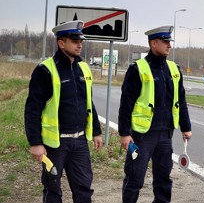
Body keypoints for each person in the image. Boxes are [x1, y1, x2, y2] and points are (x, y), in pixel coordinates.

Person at [24, 20, 103, 203]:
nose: (80, 44)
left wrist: (97, 131)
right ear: (61, 43)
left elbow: (88, 103)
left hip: (80, 143)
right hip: (55, 145)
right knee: (52, 191)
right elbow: (32, 109)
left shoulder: (83, 68)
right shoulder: (45, 70)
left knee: (84, 190)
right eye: (75, 40)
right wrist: (35, 143)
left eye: (81, 41)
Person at [118, 25, 192, 203]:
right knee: (135, 179)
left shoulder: (174, 70)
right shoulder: (138, 69)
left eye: (169, 42)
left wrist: (186, 127)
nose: (169, 46)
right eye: (165, 42)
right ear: (153, 43)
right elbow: (126, 103)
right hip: (141, 137)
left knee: (163, 180)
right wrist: (124, 134)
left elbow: (180, 100)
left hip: (165, 136)